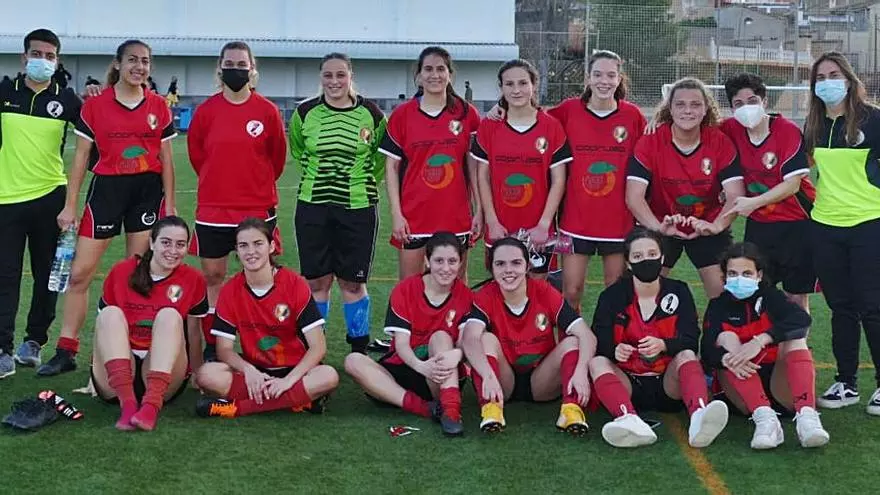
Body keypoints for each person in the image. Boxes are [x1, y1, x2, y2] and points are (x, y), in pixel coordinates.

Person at [39, 39, 177, 376]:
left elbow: (167, 160)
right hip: (106, 192)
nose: (139, 67)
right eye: (132, 60)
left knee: (138, 274)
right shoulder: (95, 106)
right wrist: (70, 206)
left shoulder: (158, 106)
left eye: (145, 61)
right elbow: (81, 158)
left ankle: (133, 350)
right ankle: (66, 350)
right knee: (79, 274)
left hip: (146, 193)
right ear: (118, 63)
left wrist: (170, 206)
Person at [186, 41, 286, 362]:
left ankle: (261, 343)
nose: (236, 70)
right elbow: (197, 156)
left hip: (255, 209)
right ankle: (215, 344)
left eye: (242, 65)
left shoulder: (267, 111)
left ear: (252, 69)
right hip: (213, 208)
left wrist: (254, 185)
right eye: (229, 64)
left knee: (259, 277)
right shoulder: (206, 111)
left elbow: (277, 159)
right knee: (213, 277)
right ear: (220, 69)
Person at [589, 227, 729, 448]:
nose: (646, 260)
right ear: (628, 263)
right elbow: (599, 338)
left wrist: (664, 345)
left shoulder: (679, 290)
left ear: (662, 257)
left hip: (668, 384)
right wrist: (614, 349)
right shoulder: (612, 296)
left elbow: (691, 339)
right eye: (638, 256)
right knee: (597, 362)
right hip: (629, 382)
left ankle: (699, 415)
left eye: (652, 254)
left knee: (687, 355)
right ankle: (628, 419)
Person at [289, 52, 386, 355]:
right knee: (317, 282)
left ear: (350, 76)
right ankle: (313, 350)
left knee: (352, 284)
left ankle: (358, 347)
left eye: (340, 75)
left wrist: (358, 183)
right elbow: (298, 151)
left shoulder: (372, 114)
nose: (334, 81)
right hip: (313, 206)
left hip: (357, 208)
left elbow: (380, 160)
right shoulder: (305, 112)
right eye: (328, 75)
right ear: (321, 77)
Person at [0, 29, 83, 377]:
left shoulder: (67, 100)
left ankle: (34, 341)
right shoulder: (5, 92)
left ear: (57, 61)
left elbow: (94, 138)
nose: (43, 61)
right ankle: (2, 349)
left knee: (49, 275)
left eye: (50, 56)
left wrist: (100, 95)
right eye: (37, 54)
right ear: (24, 57)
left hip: (52, 200)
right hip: (6, 199)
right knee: (5, 276)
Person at [195, 218, 339, 418]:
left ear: (271, 246)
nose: (251, 251)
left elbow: (318, 347)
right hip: (256, 371)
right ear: (237, 251)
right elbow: (224, 350)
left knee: (328, 376)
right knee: (207, 375)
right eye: (243, 245)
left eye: (258, 243)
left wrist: (288, 381)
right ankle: (297, 400)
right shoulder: (230, 290)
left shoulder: (294, 284)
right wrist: (248, 370)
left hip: (296, 371)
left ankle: (238, 408)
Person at [803, 52, 880, 414]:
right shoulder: (814, 126)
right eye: (820, 78)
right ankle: (845, 382)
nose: (827, 83)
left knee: (872, 307)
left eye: (834, 75)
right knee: (841, 307)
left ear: (849, 79)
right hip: (826, 227)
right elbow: (800, 173)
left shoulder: (873, 119)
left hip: (869, 223)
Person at [460, 237, 595, 436]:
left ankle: (571, 410)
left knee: (573, 341)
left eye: (516, 263)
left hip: (542, 381)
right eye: (500, 264)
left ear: (527, 266)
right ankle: (491, 408)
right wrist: (487, 374)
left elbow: (587, 335)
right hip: (502, 382)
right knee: (485, 339)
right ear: (491, 268)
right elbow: (469, 338)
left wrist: (581, 371)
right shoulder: (486, 296)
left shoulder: (544, 292)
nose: (508, 270)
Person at [701, 242, 829, 449]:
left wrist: (761, 340)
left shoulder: (771, 297)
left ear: (759, 275)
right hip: (741, 388)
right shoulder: (718, 305)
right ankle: (765, 420)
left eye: (746, 273)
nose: (739, 279)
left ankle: (807, 417)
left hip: (780, 384)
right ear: (725, 276)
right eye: (733, 273)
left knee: (796, 339)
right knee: (726, 338)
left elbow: (802, 320)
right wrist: (728, 357)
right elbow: (707, 350)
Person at [626, 77, 745, 299]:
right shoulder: (650, 142)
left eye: (695, 104)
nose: (687, 110)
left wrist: (716, 225)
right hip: (660, 223)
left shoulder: (719, 142)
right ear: (669, 109)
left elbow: (735, 194)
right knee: (642, 291)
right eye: (680, 104)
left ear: (706, 109)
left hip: (707, 223)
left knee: (726, 296)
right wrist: (658, 228)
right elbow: (634, 197)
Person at [344, 232, 472, 436]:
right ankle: (426, 408)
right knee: (353, 361)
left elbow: (466, 342)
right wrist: (421, 366)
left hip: (440, 374)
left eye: (452, 261)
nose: (446, 268)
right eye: (439, 261)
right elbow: (401, 344)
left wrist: (457, 354)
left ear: (460, 262)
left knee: (440, 337)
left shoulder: (466, 296)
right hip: (407, 366)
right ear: (427, 261)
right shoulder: (406, 289)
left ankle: (451, 411)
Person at [92, 216, 208, 431]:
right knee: (109, 314)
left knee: (169, 316)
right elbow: (103, 330)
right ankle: (128, 405)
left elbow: (193, 332)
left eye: (180, 244)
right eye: (166, 242)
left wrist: (198, 372)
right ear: (152, 243)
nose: (173, 250)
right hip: (116, 375)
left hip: (163, 373)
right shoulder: (122, 271)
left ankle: (151, 407)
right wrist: (94, 375)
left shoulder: (193, 278)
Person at [552, 50, 645, 309]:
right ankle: (573, 336)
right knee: (571, 292)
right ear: (588, 78)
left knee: (615, 291)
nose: (604, 81)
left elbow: (650, 152)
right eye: (598, 74)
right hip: (575, 219)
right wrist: (501, 108)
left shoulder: (633, 115)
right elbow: (532, 119)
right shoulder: (568, 110)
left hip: (618, 220)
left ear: (619, 79)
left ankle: (610, 336)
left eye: (611, 75)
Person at [380, 46, 482, 281]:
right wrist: (396, 214)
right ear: (418, 75)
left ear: (450, 74)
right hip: (414, 216)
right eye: (428, 69)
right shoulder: (402, 115)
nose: (434, 75)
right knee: (410, 287)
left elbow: (473, 166)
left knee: (456, 287)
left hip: (455, 215)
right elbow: (391, 168)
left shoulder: (467, 114)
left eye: (440, 69)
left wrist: (479, 210)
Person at [719, 73, 816, 312]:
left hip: (797, 223)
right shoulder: (730, 128)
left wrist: (753, 202)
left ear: (764, 101)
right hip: (759, 225)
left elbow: (793, 184)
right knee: (756, 289)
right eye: (738, 103)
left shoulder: (787, 130)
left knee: (795, 295)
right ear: (731, 108)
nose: (746, 108)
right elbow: (696, 129)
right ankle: (762, 336)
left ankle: (798, 337)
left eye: (752, 101)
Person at [470, 59, 570, 279]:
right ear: (501, 87)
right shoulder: (489, 126)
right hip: (500, 228)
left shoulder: (551, 126)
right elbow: (482, 177)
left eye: (523, 83)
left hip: (539, 230)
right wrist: (492, 222)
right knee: (503, 287)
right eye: (509, 84)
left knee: (538, 290)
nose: (516, 90)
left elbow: (559, 180)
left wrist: (544, 225)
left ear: (534, 84)